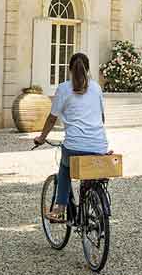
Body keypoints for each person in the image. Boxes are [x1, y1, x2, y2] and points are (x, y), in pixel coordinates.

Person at [34, 52, 108, 222]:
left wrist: (42, 137)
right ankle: (94, 202)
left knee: (64, 168)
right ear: (88, 69)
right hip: (99, 144)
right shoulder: (96, 88)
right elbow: (102, 118)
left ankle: (60, 208)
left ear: (69, 69)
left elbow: (52, 118)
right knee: (91, 173)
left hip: (75, 144)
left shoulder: (63, 89)